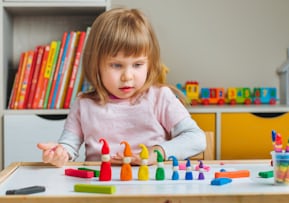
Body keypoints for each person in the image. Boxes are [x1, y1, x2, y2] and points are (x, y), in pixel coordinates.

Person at [37, 7, 206, 167]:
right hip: (100, 189)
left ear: (150, 63)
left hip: (150, 187)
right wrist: (59, 154)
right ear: (96, 65)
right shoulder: (83, 104)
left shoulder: (160, 97)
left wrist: (158, 152)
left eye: (138, 64)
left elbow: (197, 138)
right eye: (116, 65)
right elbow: (68, 147)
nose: (127, 76)